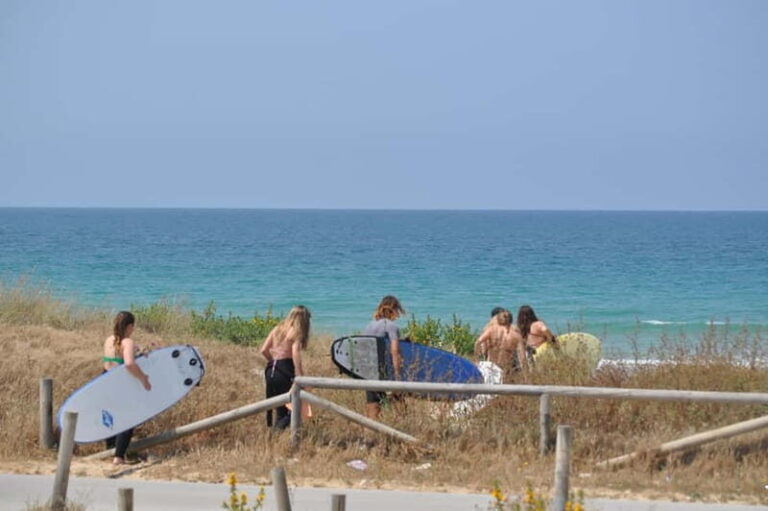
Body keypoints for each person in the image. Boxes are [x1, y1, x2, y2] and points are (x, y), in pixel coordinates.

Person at [102, 310, 152, 465]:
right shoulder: (127, 342)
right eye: (133, 326)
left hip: (105, 379)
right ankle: (119, 457)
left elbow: (118, 358)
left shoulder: (109, 340)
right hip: (120, 382)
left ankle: (110, 449)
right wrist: (143, 378)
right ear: (129, 326)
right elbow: (129, 364)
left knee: (112, 416)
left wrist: (140, 350)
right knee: (129, 417)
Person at [259, 305, 311, 429]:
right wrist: (299, 377)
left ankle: (275, 433)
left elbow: (264, 350)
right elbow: (295, 355)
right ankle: (279, 432)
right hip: (285, 370)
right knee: (295, 407)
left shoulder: (277, 329)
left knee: (280, 408)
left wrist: (273, 362)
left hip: (271, 370)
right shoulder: (296, 333)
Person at [362, 295, 405, 420]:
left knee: (373, 408)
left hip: (368, 370)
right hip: (383, 371)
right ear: (394, 310)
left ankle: (371, 431)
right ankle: (400, 429)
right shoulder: (391, 326)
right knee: (400, 406)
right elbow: (395, 351)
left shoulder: (369, 326)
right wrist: (397, 376)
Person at [474, 309, 527, 379]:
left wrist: (477, 360)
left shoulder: (491, 330)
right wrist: (525, 375)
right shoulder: (516, 336)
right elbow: (522, 358)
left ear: (498, 319)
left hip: (491, 366)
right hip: (506, 368)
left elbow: (478, 342)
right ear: (511, 320)